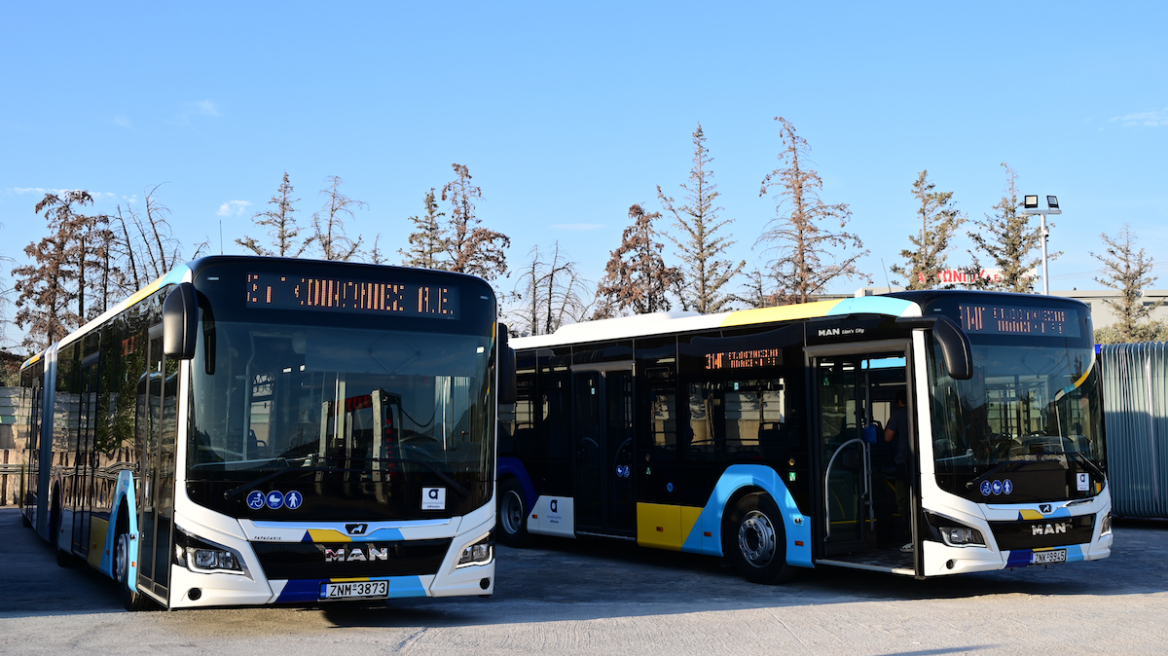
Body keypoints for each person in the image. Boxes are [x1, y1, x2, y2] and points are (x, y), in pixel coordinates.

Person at [884, 389, 912, 552]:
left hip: (904, 463)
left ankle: (909, 535)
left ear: (900, 402)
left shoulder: (900, 413)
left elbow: (888, 437)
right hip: (922, 463)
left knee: (903, 500)